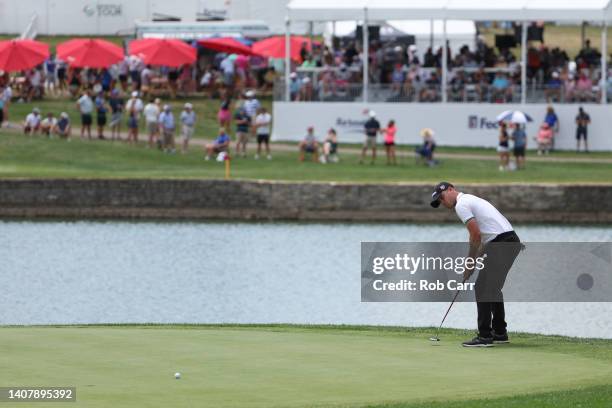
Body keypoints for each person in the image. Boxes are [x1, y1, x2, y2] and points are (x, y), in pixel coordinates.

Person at [430, 182, 522, 347]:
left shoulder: (462, 204)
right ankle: (500, 332)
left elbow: (475, 235)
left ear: (451, 189)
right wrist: (474, 261)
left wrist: (469, 263)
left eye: (442, 198)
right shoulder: (471, 200)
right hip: (510, 241)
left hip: (501, 243)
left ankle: (485, 336)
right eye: (439, 202)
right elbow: (487, 236)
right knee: (492, 288)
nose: (443, 203)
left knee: (483, 288)